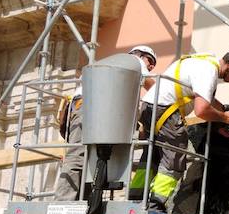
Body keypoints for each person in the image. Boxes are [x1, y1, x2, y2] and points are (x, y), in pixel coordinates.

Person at [136, 45, 229, 210]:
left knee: (152, 157)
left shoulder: (202, 61)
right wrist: (224, 117)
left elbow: (206, 99)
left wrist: (224, 110)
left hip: (150, 106)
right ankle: (155, 203)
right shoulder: (209, 72)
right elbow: (201, 110)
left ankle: (135, 198)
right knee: (174, 159)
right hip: (165, 111)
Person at [53, 45, 156, 201]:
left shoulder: (114, 67)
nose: (151, 67)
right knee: (80, 156)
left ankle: (80, 200)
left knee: (89, 156)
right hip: (92, 105)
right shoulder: (133, 61)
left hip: (87, 106)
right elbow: (155, 88)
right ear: (141, 56)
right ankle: (64, 201)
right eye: (151, 62)